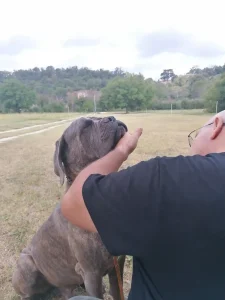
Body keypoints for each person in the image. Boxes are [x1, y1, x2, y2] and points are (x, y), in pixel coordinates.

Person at [61, 111, 225, 300]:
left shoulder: (164, 179)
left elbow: (75, 203)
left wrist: (121, 152)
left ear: (216, 127)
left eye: (194, 137)